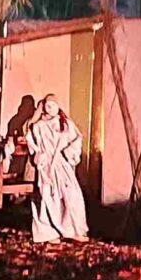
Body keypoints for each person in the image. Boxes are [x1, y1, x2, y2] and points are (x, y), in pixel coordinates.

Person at [29, 94, 89, 242]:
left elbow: (77, 138)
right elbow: (32, 142)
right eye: (48, 106)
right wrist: (40, 156)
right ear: (43, 107)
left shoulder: (66, 124)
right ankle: (49, 232)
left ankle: (74, 230)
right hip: (47, 166)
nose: (51, 109)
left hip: (62, 164)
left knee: (72, 195)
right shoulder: (39, 126)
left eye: (53, 105)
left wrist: (69, 152)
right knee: (49, 197)